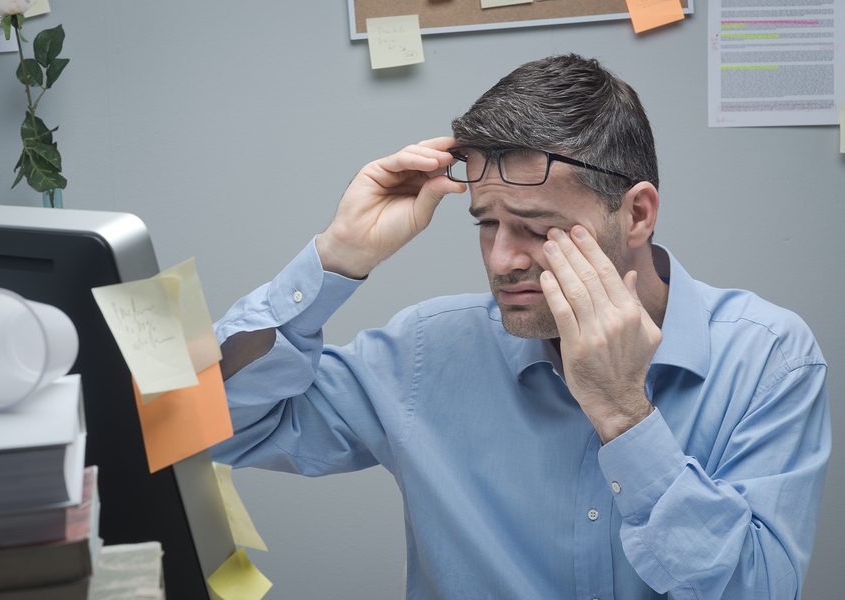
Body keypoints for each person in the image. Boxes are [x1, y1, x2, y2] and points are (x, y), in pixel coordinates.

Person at [211, 54, 830, 599]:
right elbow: (202, 427)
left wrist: (623, 414)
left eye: (537, 228)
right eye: (486, 224)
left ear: (637, 214)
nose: (503, 259)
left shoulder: (769, 358)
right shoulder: (427, 352)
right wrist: (336, 258)